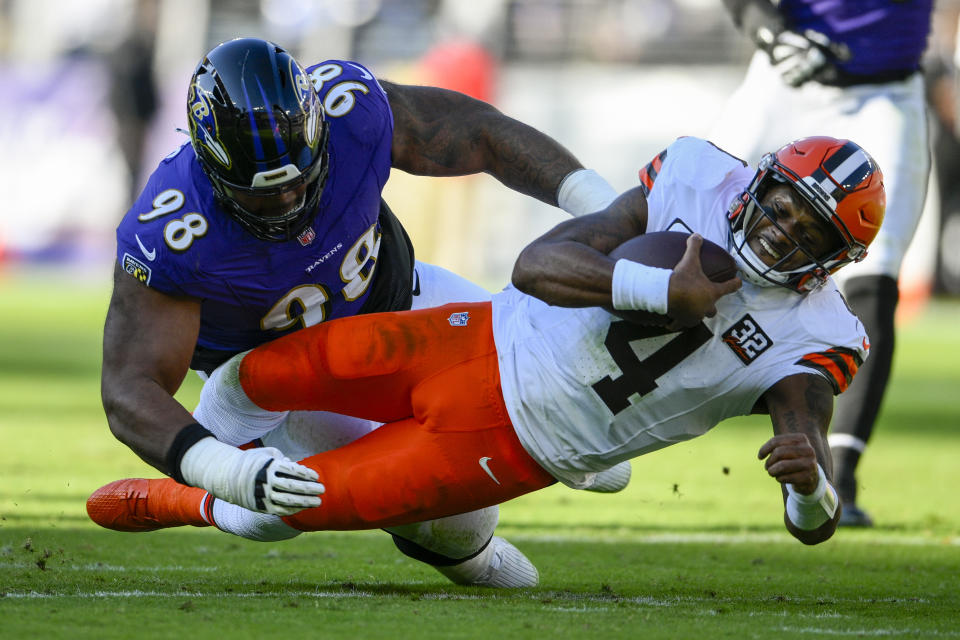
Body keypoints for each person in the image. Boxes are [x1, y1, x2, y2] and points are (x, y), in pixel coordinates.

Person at [90, 135, 885, 554]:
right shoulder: (695, 179)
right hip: (475, 336)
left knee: (288, 503)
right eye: (783, 207)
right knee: (257, 372)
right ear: (762, 184)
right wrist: (656, 291)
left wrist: (809, 488)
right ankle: (205, 461)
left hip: (516, 444)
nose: (781, 233)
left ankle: (181, 503)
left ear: (833, 261)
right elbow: (536, 265)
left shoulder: (818, 335)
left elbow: (808, 498)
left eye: (806, 232)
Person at [91, 37, 628, 589]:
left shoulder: (351, 111)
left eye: (300, 180)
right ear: (210, 170)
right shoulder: (174, 229)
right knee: (422, 520)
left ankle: (553, 432)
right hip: (283, 380)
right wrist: (218, 468)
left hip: (401, 304)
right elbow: (131, 387)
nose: (287, 205)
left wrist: (603, 208)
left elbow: (482, 134)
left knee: (568, 375)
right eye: (260, 196)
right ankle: (191, 499)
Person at [710, 0, 934, 526]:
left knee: (874, 277)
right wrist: (769, 31)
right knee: (696, 212)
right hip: (784, 80)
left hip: (885, 88)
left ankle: (839, 474)